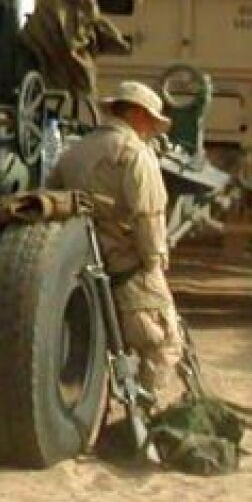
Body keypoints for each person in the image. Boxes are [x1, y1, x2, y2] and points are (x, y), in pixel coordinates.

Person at [46, 82, 183, 407]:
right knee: (162, 343)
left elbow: (55, 196)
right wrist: (153, 262)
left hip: (84, 262)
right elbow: (148, 215)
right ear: (136, 113)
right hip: (127, 266)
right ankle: (146, 413)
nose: (151, 129)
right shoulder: (134, 153)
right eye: (150, 120)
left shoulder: (74, 152)